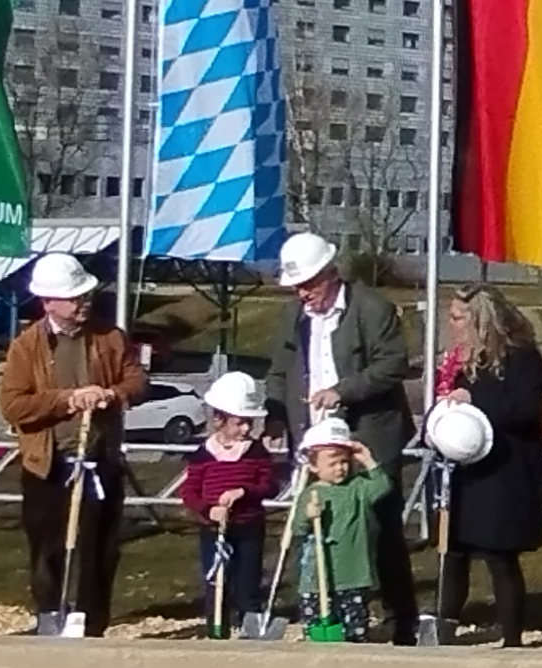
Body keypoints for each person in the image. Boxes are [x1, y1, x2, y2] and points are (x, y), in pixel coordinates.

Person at [266, 231, 420, 644]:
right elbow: (281, 367)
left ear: (331, 274)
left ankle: (400, 616)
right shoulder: (293, 316)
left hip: (368, 431)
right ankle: (329, 611)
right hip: (315, 434)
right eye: (296, 286)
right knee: (318, 522)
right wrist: (276, 412)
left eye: (309, 284)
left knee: (379, 524)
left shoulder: (371, 308)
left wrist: (343, 390)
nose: (303, 294)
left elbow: (393, 364)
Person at [0, 251, 150, 637]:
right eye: (74, 297)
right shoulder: (26, 346)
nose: (84, 303)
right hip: (48, 464)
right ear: (49, 302)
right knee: (48, 548)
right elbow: (13, 405)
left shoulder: (109, 337)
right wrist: (66, 399)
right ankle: (49, 615)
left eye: (85, 296)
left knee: (99, 547)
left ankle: (92, 622)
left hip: (99, 460)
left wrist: (111, 395)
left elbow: (138, 381)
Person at [434, 286, 542, 646]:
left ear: (481, 320)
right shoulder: (463, 360)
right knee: (452, 551)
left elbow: (525, 410)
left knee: (500, 556)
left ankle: (512, 638)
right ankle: (442, 630)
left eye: (457, 317)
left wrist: (476, 400)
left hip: (506, 470)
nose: (450, 324)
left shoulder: (523, 358)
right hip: (466, 470)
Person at [175, 370, 279, 636]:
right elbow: (189, 491)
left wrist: (244, 491)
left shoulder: (256, 452)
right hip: (213, 529)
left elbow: (270, 485)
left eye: (249, 423)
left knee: (248, 582)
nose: (246, 429)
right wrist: (209, 510)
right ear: (219, 420)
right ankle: (217, 632)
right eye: (239, 422)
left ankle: (251, 630)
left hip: (248, 527)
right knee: (217, 583)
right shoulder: (203, 455)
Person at [292, 415, 385, 639]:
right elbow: (297, 529)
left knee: (354, 628)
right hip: (317, 577)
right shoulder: (310, 494)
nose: (340, 468)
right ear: (313, 465)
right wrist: (307, 516)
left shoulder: (358, 488)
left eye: (344, 462)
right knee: (317, 626)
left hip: (353, 573)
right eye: (332, 463)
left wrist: (368, 460)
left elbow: (382, 485)